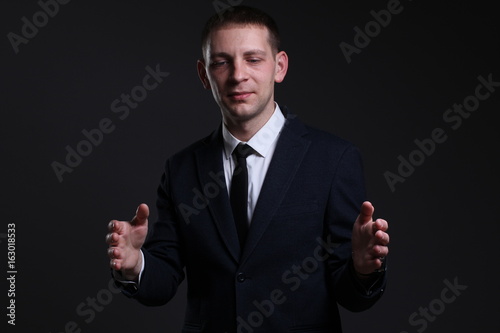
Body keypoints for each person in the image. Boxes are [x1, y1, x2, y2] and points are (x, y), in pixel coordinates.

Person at [105, 5, 389, 333]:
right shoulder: (181, 168)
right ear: (204, 75)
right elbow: (163, 280)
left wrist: (364, 268)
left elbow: (352, 296)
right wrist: (133, 265)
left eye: (253, 59)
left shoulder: (334, 159)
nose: (238, 74)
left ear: (279, 67)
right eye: (222, 62)